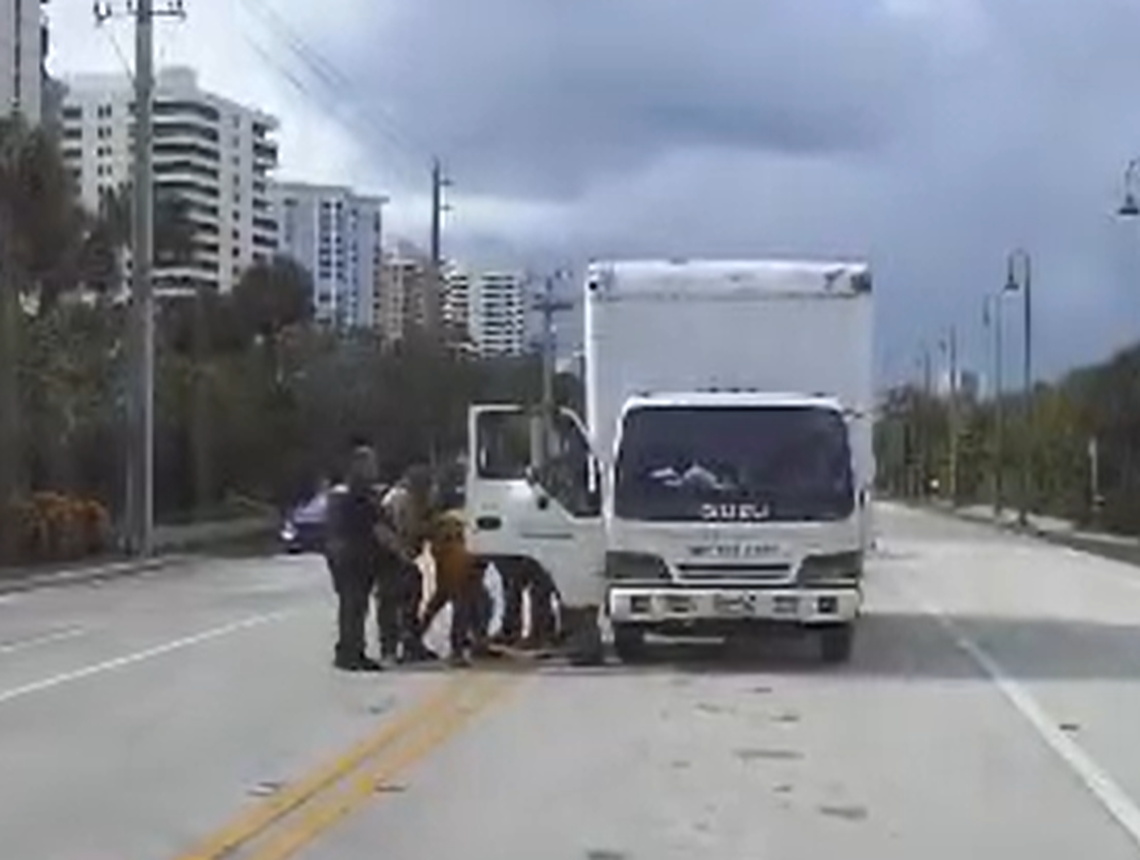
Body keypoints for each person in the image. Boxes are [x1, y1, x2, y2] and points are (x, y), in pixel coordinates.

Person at [324, 446, 386, 672]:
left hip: (340, 555)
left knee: (351, 605)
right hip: (354, 557)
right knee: (354, 606)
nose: (375, 468)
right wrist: (402, 550)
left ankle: (350, 650)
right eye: (371, 464)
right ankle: (350, 653)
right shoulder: (359, 494)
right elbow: (378, 528)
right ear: (359, 466)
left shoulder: (341, 493)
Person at [376, 463, 439, 663]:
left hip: (394, 554)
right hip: (392, 555)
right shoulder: (403, 499)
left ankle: (402, 645)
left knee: (403, 597)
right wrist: (429, 524)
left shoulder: (397, 496)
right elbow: (409, 529)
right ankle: (396, 647)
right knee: (396, 600)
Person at [420, 509, 487, 666]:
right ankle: (459, 649)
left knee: (442, 606)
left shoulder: (448, 525)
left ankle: (414, 637)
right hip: (460, 575)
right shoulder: (455, 525)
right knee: (464, 610)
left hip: (457, 574)